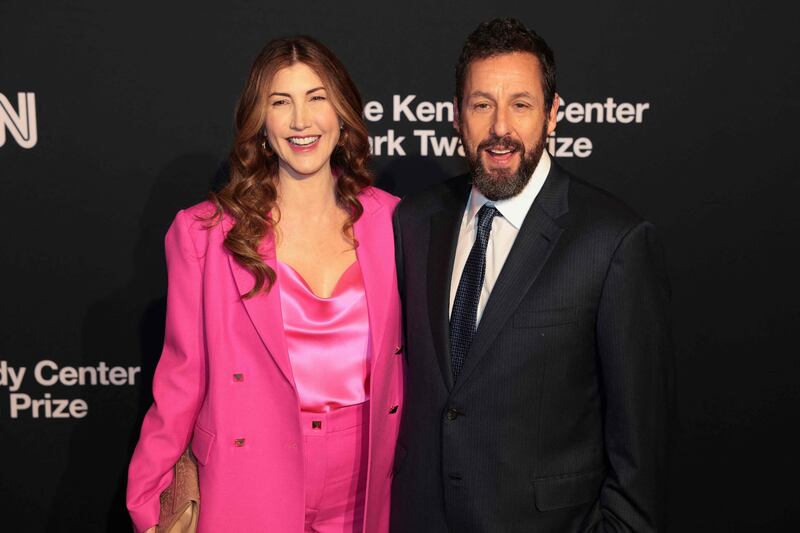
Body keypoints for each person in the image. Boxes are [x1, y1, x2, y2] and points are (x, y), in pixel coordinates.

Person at [390, 18, 672, 532]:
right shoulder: (413, 222)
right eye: (482, 105)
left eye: (520, 104)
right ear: (457, 117)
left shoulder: (612, 241)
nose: (500, 128)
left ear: (553, 114)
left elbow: (640, 451)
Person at [127, 36, 403, 533]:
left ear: (342, 113)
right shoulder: (204, 235)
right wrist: (149, 497)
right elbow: (180, 381)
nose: (301, 120)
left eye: (317, 98)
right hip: (250, 473)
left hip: (369, 478)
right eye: (281, 102)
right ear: (261, 122)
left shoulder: (393, 222)